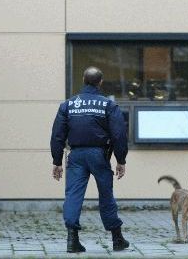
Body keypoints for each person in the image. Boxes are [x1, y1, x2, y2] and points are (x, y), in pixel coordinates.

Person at [50, 66, 130, 253]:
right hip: (99, 155)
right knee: (106, 195)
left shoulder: (68, 105)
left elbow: (57, 136)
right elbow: (119, 134)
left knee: (73, 195)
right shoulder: (108, 105)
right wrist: (121, 160)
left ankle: (72, 240)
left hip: (75, 156)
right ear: (100, 82)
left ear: (83, 80)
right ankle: (117, 239)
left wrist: (56, 162)